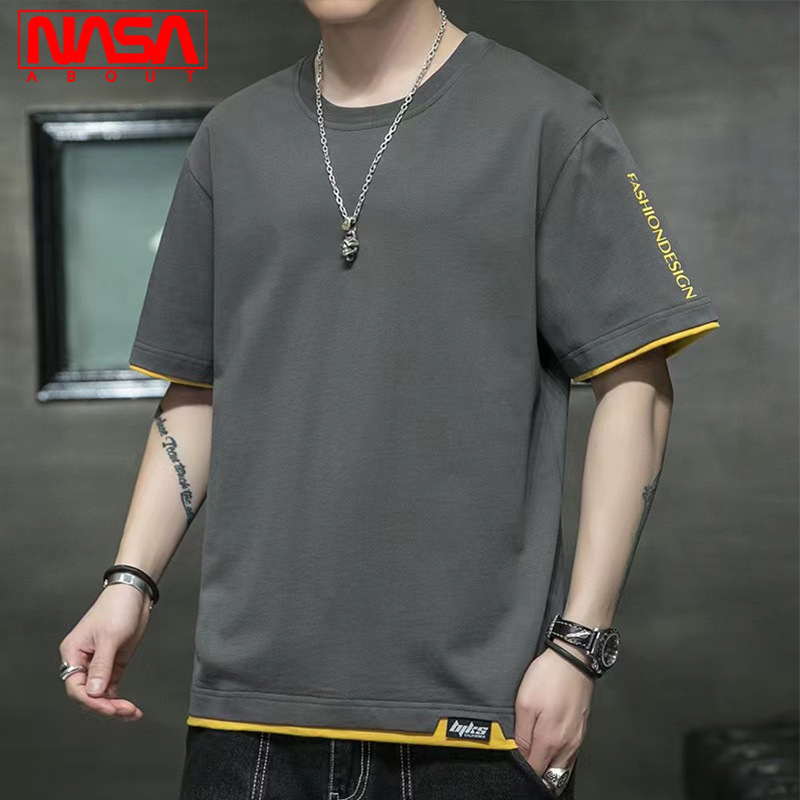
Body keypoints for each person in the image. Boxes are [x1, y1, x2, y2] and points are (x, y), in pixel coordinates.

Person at [58, 1, 721, 798]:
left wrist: (579, 645)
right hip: (252, 715)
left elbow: (637, 384)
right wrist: (128, 582)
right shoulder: (232, 139)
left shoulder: (547, 120)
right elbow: (197, 390)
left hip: (481, 716)